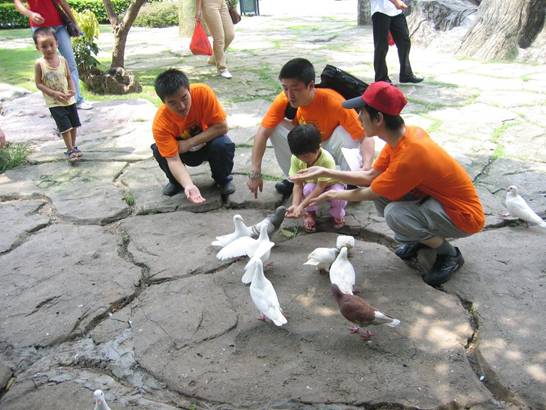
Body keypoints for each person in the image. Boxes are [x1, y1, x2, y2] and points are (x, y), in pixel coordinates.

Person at [291, 81, 484, 286]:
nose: (358, 117)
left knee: (395, 214)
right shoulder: (402, 137)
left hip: (463, 216)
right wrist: (325, 172)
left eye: (362, 112)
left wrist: (331, 194)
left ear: (378, 118)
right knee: (384, 195)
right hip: (435, 201)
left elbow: (368, 193)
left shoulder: (410, 155)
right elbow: (370, 176)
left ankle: (449, 254)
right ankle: (420, 239)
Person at [247, 58, 375, 198]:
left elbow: (365, 137)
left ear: (311, 85)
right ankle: (296, 178)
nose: (290, 95)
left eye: (296, 89)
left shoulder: (333, 101)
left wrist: (367, 166)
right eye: (285, 88)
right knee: (275, 127)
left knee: (345, 132)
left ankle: (351, 181)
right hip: (307, 145)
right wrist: (255, 172)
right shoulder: (284, 99)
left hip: (330, 145)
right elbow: (263, 132)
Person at [151, 69, 235, 204]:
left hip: (208, 144)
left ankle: (223, 179)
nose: (181, 106)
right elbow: (173, 159)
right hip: (181, 153)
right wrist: (189, 185)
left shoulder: (203, 93)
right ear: (164, 102)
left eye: (184, 97)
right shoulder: (160, 123)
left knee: (223, 144)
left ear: (189, 90)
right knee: (159, 150)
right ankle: (177, 182)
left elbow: (222, 127)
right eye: (172, 103)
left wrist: (188, 143)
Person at [14, 0, 92, 110]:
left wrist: (75, 23)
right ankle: (55, 102)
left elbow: (63, 2)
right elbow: (18, 4)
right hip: (40, 28)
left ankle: (77, 100)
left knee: (70, 64)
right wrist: (31, 14)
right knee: (48, 67)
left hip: (59, 26)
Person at [285, 124, 348, 232]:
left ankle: (338, 214)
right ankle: (310, 213)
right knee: (308, 189)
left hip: (332, 183)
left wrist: (301, 205)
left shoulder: (326, 160)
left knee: (338, 196)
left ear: (318, 147)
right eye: (298, 156)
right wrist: (295, 205)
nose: (302, 159)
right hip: (313, 183)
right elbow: (298, 183)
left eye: (306, 156)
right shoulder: (296, 158)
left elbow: (320, 187)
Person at [33, 27, 81, 162]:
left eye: (51, 45)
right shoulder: (40, 64)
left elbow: (68, 76)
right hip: (54, 103)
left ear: (57, 43)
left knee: (74, 124)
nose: (49, 49)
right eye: (44, 46)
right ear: (37, 47)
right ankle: (70, 150)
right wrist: (53, 93)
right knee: (65, 127)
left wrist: (72, 89)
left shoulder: (62, 60)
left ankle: (74, 146)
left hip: (68, 99)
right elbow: (38, 83)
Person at [371, 0, 423, 84]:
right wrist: (396, 2)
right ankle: (381, 78)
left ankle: (406, 74)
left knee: (405, 42)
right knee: (381, 47)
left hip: (396, 12)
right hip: (380, 11)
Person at [195, 0, 235, 79]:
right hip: (209, 4)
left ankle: (214, 58)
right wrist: (198, 9)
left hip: (222, 3)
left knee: (230, 35)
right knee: (219, 38)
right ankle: (222, 68)